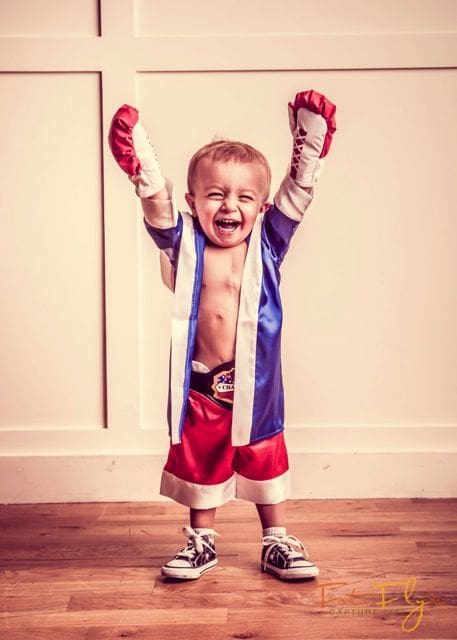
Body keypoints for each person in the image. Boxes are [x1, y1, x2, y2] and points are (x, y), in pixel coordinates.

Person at [108, 90, 336, 581]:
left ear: (261, 206)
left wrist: (309, 148)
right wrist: (142, 164)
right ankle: (201, 542)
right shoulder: (186, 243)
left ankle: (275, 540)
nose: (230, 205)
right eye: (215, 194)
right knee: (201, 459)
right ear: (193, 202)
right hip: (202, 381)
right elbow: (157, 209)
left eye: (244, 197)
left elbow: (297, 196)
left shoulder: (267, 244)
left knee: (264, 455)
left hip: (256, 382)